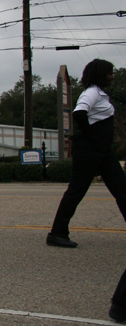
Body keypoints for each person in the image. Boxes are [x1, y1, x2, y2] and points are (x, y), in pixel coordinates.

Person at [47, 59, 126, 248]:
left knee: (122, 190)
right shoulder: (91, 93)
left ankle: (57, 233)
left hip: (103, 153)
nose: (112, 76)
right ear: (99, 74)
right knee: (76, 192)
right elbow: (79, 113)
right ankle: (57, 234)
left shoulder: (100, 94)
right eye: (109, 73)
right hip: (89, 152)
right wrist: (92, 137)